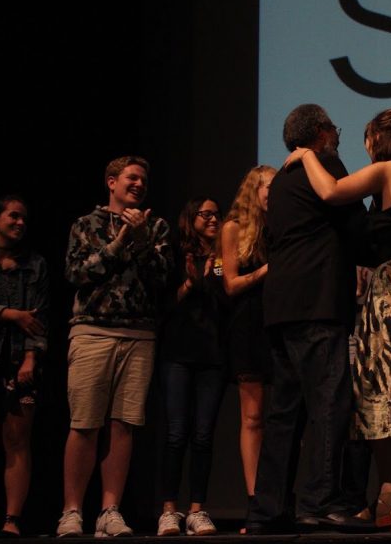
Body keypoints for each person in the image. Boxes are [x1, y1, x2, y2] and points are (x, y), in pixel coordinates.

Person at [284, 108, 391, 533]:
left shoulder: (388, 169)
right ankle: (389, 497)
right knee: (379, 392)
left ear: (376, 140)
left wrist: (305, 154)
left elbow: (331, 191)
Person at [246, 104, 376, 534]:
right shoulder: (324, 163)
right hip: (318, 304)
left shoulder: (280, 180)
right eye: (333, 129)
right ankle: (320, 504)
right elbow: (355, 226)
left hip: (281, 307)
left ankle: (269, 510)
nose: (336, 136)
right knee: (329, 404)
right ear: (320, 133)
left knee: (285, 413)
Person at [57, 156, 172, 537]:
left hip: (139, 334)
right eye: (131, 177)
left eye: (144, 179)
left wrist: (139, 243)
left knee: (124, 425)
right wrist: (121, 240)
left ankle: (110, 509)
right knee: (85, 422)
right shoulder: (86, 224)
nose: (139, 184)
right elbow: (77, 272)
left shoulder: (155, 226)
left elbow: (161, 278)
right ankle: (72, 510)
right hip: (92, 331)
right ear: (111, 181)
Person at [156, 198, 227, 536]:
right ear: (190, 218)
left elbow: (225, 299)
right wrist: (188, 283)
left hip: (213, 355)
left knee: (203, 436)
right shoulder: (174, 253)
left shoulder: (224, 257)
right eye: (206, 214)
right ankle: (169, 509)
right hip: (178, 354)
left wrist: (213, 271)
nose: (214, 218)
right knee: (175, 434)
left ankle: (198, 509)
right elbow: (163, 305)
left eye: (217, 214)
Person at [0, 195, 48, 538]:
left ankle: (12, 519)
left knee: (17, 439)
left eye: (24, 218)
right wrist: (7, 314)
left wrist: (32, 358)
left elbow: (40, 315)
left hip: (20, 360)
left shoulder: (34, 265)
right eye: (13, 216)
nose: (20, 223)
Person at [221, 165, 275, 519]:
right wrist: (265, 271)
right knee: (253, 416)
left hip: (280, 322)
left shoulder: (283, 227)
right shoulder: (233, 229)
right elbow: (230, 283)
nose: (275, 193)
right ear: (254, 190)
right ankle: (256, 500)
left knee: (286, 416)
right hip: (248, 325)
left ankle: (279, 496)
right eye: (270, 187)